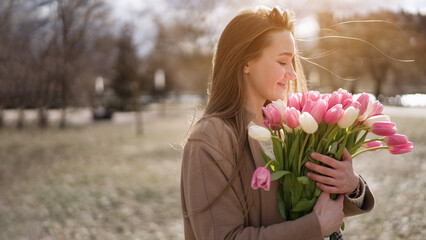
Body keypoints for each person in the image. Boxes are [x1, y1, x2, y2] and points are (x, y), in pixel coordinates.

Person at [180, 6, 374, 240]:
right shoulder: (210, 138)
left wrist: (350, 185)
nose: (292, 74)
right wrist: (314, 227)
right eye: (283, 62)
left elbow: (308, 203)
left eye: (292, 62)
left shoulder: (286, 126)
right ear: (245, 63)